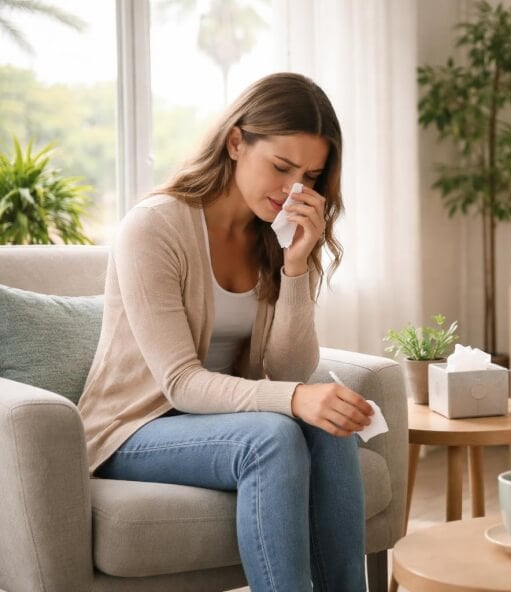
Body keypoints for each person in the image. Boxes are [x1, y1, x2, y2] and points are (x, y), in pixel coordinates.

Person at [77, 72, 373, 592]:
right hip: (133, 427)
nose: (293, 190)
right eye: (281, 167)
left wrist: (297, 264)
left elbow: (287, 370)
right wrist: (296, 399)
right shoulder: (155, 226)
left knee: (330, 427)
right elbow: (181, 384)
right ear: (236, 141)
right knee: (273, 436)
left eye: (311, 175)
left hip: (221, 420)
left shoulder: (274, 235)